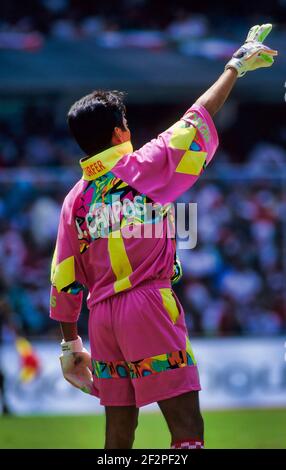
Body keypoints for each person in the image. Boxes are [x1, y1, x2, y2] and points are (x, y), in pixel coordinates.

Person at [49, 24, 277, 449]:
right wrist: (235, 66)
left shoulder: (74, 201)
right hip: (148, 305)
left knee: (118, 434)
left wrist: (69, 345)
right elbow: (197, 120)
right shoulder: (141, 167)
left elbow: (64, 279)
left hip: (100, 319)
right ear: (119, 133)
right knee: (186, 426)